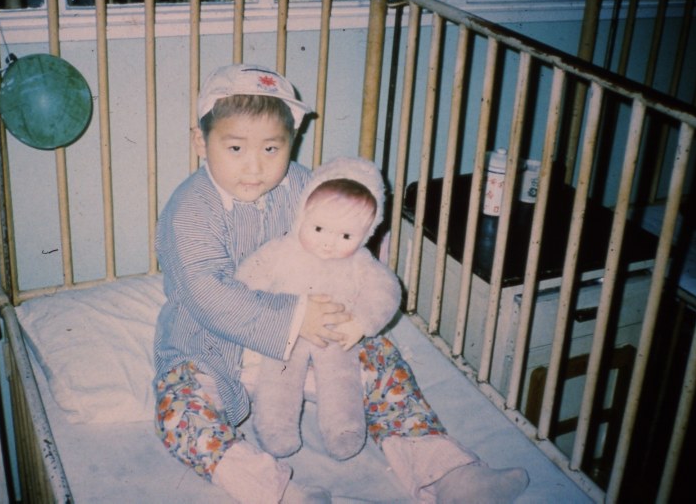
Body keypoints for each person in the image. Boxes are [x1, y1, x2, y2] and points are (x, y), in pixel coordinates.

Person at [153, 63, 529, 504]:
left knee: (380, 358)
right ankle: (270, 488)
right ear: (201, 142)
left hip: (311, 344)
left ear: (291, 142)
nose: (254, 166)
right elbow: (205, 292)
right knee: (178, 410)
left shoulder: (300, 185)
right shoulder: (190, 210)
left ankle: (445, 471)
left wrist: (350, 313)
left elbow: (345, 242)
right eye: (235, 147)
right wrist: (295, 316)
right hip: (213, 347)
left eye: (272, 148)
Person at [236, 156, 402, 462]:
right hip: (287, 330)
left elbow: (387, 291)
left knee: (342, 380)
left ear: (366, 234)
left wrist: (361, 323)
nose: (329, 243)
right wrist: (260, 318)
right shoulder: (283, 249)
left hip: (338, 333)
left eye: (346, 236)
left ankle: (344, 430)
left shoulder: (361, 262)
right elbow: (248, 277)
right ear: (302, 215)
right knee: (278, 375)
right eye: (320, 228)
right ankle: (276, 429)